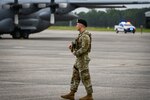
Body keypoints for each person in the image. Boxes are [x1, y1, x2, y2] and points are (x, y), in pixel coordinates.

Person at [61, 19, 93, 100]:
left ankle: (89, 95)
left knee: (85, 77)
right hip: (79, 59)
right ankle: (72, 93)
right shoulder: (80, 35)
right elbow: (78, 44)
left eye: (77, 24)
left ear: (81, 25)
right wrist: (72, 46)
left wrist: (75, 53)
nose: (76, 25)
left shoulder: (85, 36)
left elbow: (84, 48)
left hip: (83, 59)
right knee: (75, 76)